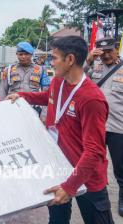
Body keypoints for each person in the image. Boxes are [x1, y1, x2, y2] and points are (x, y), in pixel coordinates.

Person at [7, 36, 114, 224]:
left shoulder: (91, 99)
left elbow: (94, 151)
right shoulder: (58, 82)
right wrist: (22, 96)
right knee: (57, 220)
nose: (50, 62)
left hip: (87, 177)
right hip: (58, 168)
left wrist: (70, 186)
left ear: (70, 59)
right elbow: (47, 97)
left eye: (54, 58)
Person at [85, 37, 123, 216]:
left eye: (109, 51)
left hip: (118, 127)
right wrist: (89, 60)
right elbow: (77, 79)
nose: (106, 55)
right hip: (96, 126)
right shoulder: (95, 67)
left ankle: (122, 198)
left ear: (116, 49)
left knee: (120, 166)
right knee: (94, 163)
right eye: (102, 52)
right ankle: (96, 197)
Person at [0, 42, 50, 117]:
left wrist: (44, 114)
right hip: (13, 108)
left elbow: (46, 93)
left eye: (26, 54)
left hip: (33, 109)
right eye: (20, 54)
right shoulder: (8, 70)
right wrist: (1, 111)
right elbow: (2, 91)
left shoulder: (41, 70)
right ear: (17, 54)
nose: (23, 57)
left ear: (31, 55)